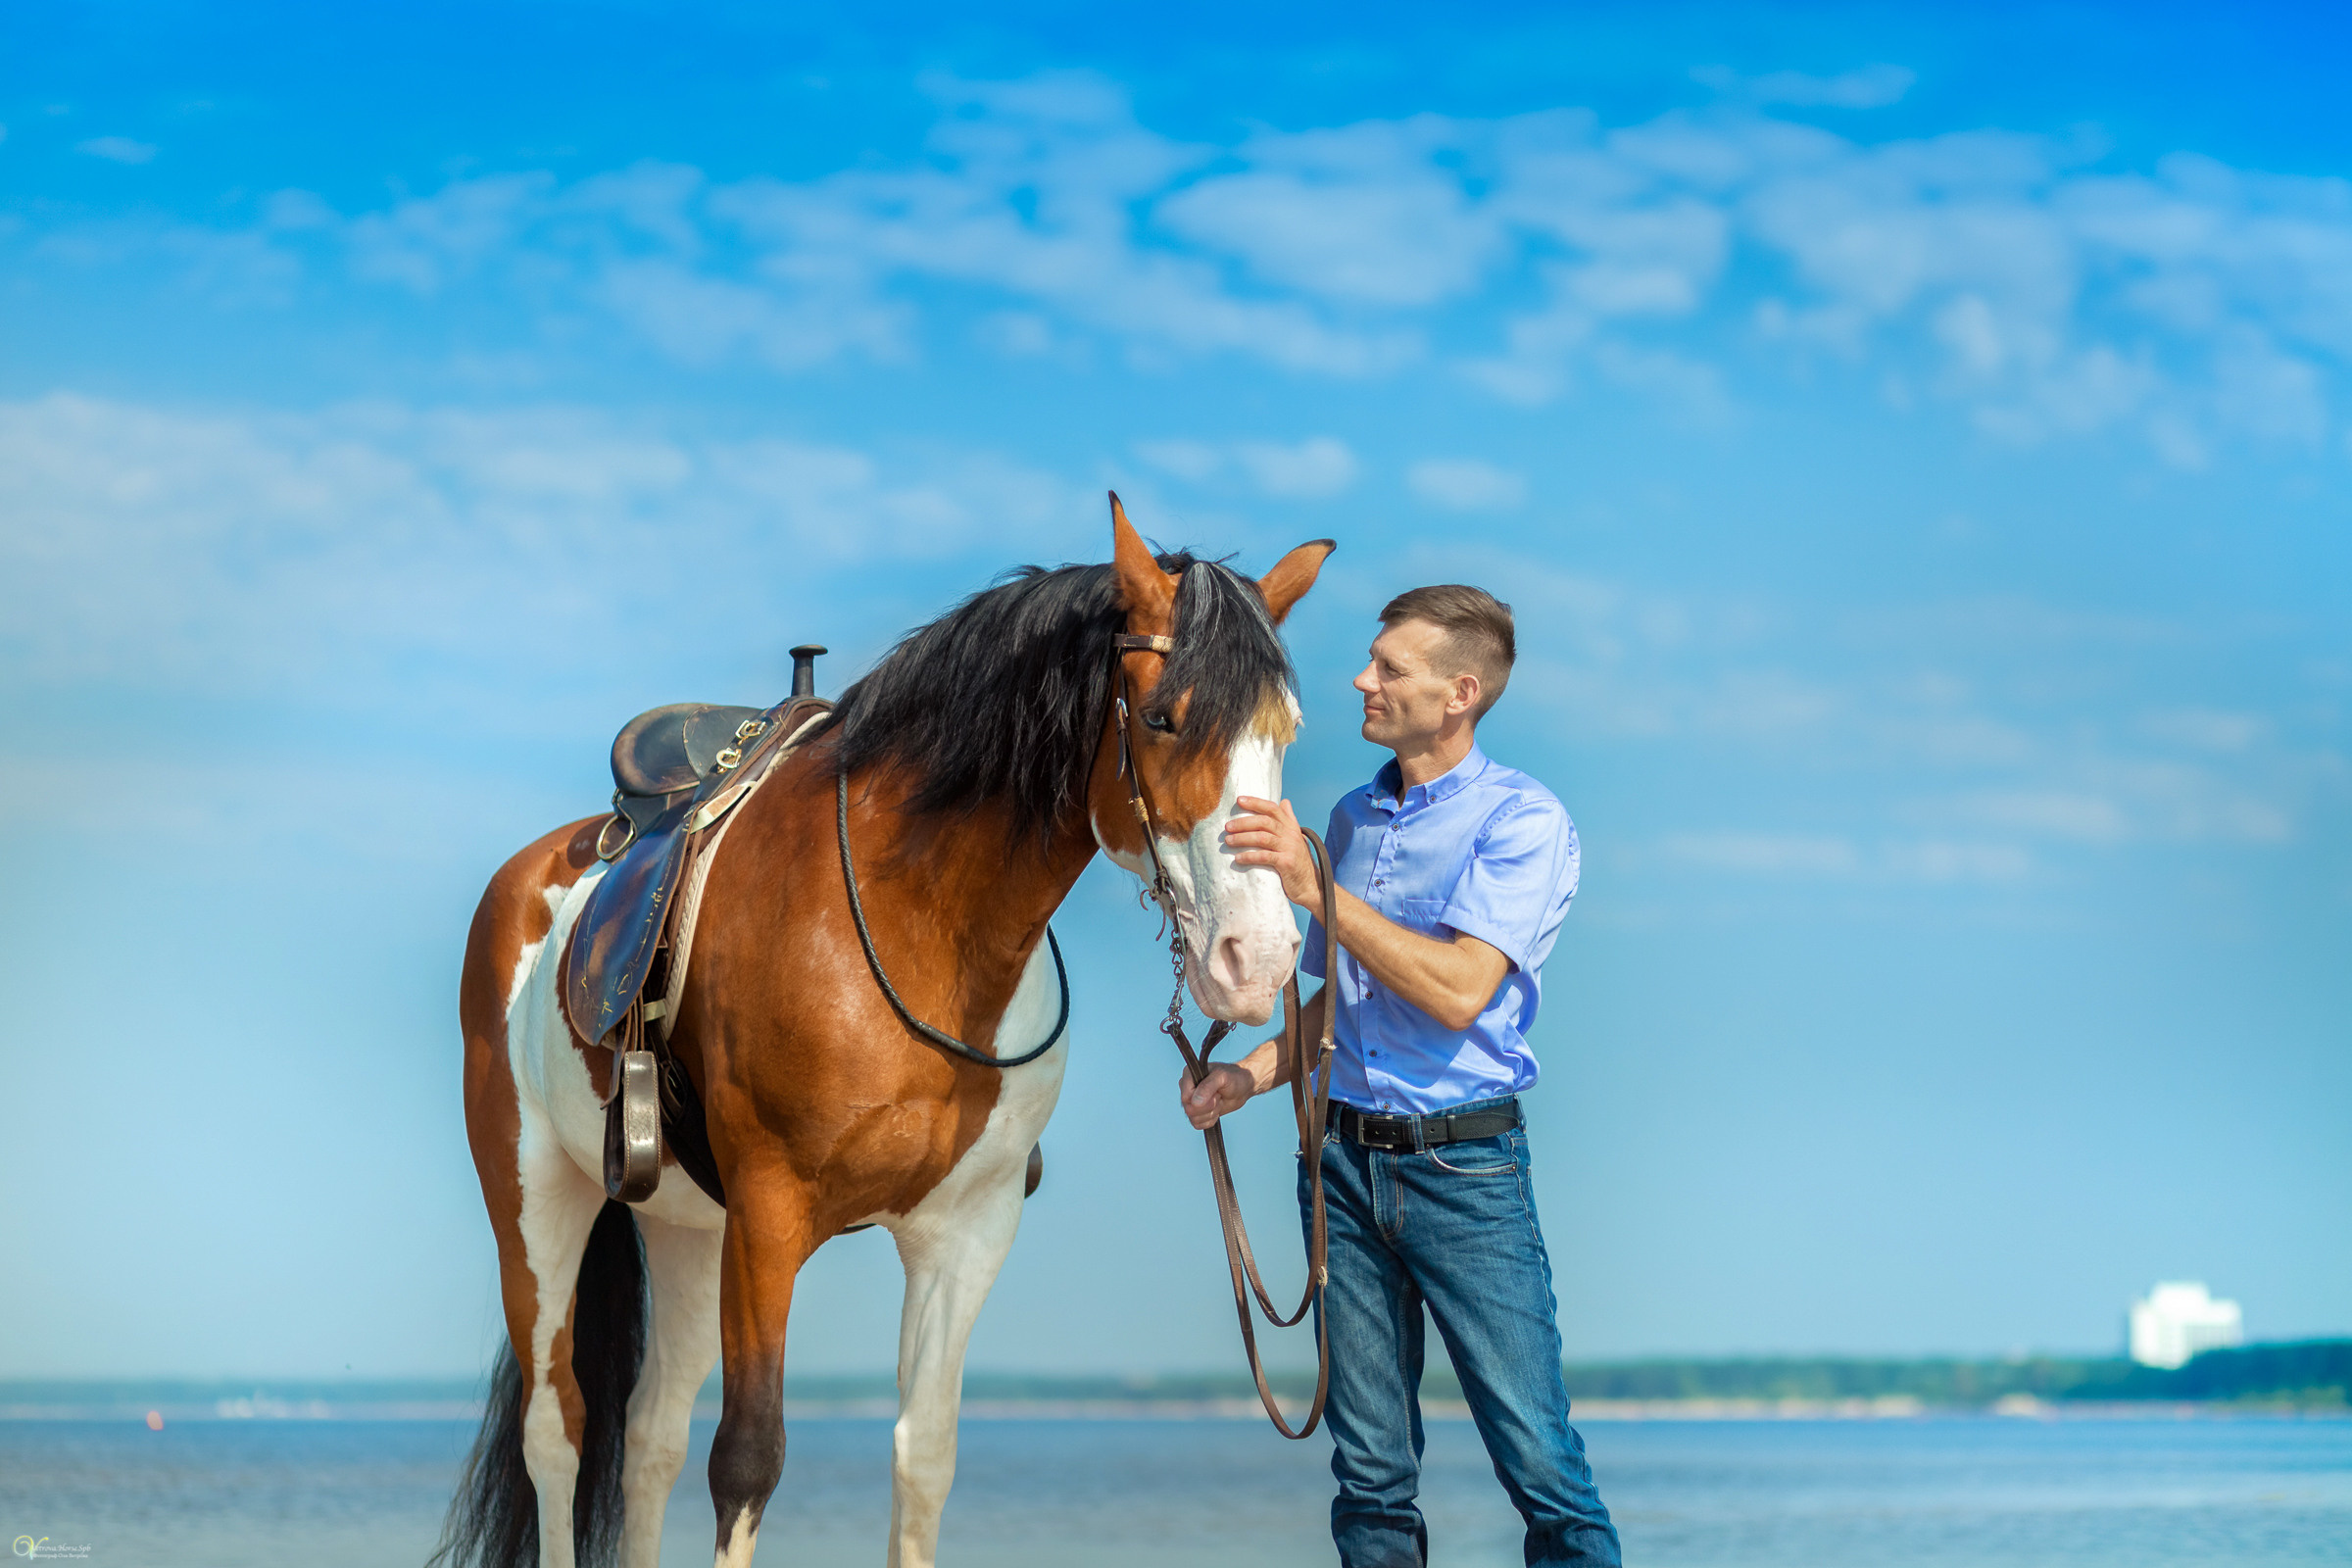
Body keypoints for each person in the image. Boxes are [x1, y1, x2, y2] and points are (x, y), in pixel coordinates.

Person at [1183, 584, 1621, 1568]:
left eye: (1390, 668)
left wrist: (1315, 890)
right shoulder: (1350, 817)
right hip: (1338, 1169)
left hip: (1465, 1175)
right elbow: (1339, 1005)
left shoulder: (1523, 820)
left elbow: (1459, 990)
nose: (1361, 680)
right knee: (1370, 1476)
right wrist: (1246, 1077)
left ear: (1461, 693)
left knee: (1541, 1465)